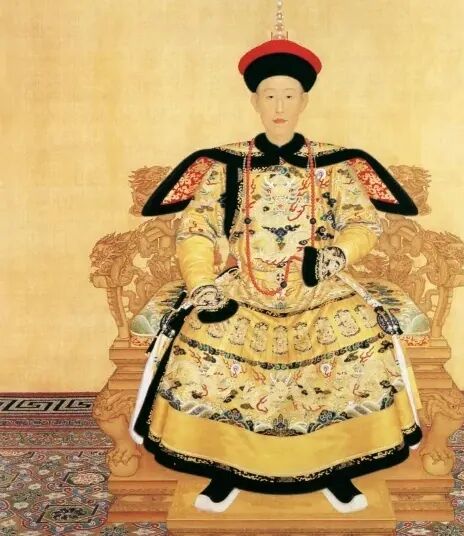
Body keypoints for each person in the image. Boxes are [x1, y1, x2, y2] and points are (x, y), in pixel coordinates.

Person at [132, 35, 422, 515]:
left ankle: (336, 465)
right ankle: (226, 465)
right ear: (254, 101)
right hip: (244, 282)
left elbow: (363, 223)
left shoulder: (333, 164)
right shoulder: (226, 164)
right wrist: (202, 283)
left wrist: (338, 255)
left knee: (352, 336)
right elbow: (197, 229)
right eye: (269, 95)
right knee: (206, 339)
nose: (279, 106)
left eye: (289, 95)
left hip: (318, 284)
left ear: (305, 100)